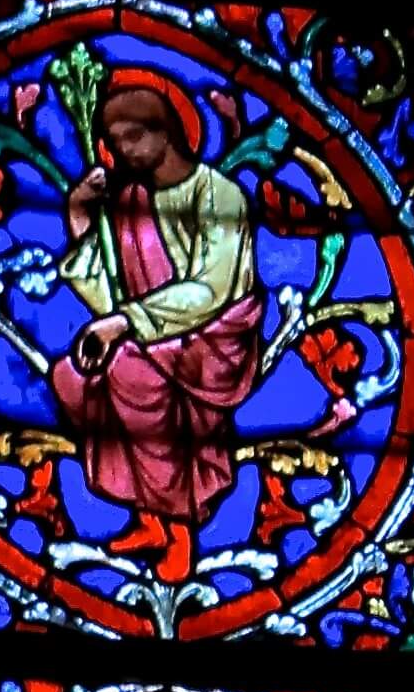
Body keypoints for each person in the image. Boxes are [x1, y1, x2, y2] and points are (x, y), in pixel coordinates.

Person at [49, 77, 262, 582]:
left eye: (134, 136)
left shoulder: (219, 195)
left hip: (211, 339)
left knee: (130, 373)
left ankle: (180, 527)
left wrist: (124, 323)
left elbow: (212, 288)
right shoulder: (131, 202)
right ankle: (148, 519)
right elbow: (108, 289)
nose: (125, 150)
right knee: (71, 376)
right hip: (147, 333)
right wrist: (79, 213)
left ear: (167, 131)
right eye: (115, 141)